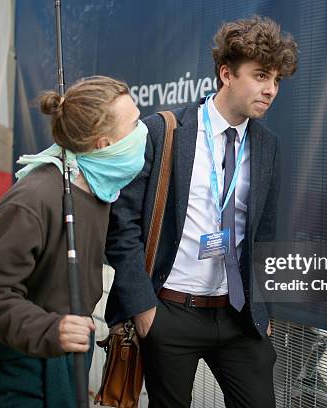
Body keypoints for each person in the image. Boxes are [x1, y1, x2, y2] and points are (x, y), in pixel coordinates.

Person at [105, 16, 298, 408]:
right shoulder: (164, 132)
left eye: (276, 80)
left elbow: (264, 233)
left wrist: (265, 305)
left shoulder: (268, 145)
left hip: (238, 316)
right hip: (170, 311)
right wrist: (144, 310)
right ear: (226, 74)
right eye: (261, 75)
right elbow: (122, 227)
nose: (270, 89)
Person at [0, 75, 145, 407]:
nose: (143, 132)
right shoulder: (31, 201)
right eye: (135, 124)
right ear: (104, 144)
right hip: (10, 370)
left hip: (63, 361)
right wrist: (50, 328)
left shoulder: (99, 185)